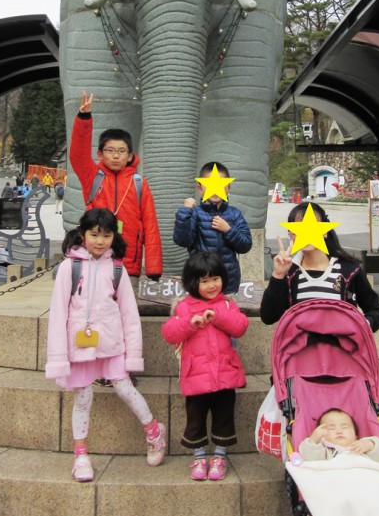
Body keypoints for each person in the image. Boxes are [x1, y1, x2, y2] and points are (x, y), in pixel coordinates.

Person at [45, 207, 167, 482]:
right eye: (94, 234)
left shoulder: (117, 269)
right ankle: (81, 455)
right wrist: (58, 356)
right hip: (79, 345)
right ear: (82, 235)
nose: (100, 241)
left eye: (106, 235)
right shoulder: (69, 267)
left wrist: (133, 353)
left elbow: (129, 314)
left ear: (114, 237)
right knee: (83, 398)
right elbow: (58, 314)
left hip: (111, 341)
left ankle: (154, 431)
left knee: (124, 388)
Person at [161, 252, 248, 481]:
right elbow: (169, 333)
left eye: (215, 279)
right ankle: (198, 457)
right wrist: (190, 324)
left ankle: (219, 456)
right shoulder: (183, 307)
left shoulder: (227, 304)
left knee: (224, 418)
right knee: (195, 419)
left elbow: (240, 326)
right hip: (196, 376)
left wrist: (217, 316)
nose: (211, 285)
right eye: (204, 281)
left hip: (224, 375)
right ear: (193, 282)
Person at [69, 90, 162, 280]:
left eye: (122, 151)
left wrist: (153, 268)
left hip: (130, 261)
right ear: (100, 154)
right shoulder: (92, 176)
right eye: (110, 150)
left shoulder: (139, 183)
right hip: (95, 256)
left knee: (125, 307)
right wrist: (84, 118)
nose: (116, 155)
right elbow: (77, 154)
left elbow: (150, 224)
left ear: (130, 156)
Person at [260, 201, 379, 331]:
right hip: (301, 350)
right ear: (291, 235)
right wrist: (278, 275)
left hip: (342, 350)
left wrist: (360, 327)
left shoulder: (349, 270)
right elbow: (268, 317)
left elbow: (376, 311)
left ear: (325, 232)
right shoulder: (289, 273)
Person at [172, 161, 252, 294]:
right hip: (200, 281)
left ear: (229, 187)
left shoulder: (235, 213)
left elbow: (246, 246)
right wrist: (185, 211)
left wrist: (228, 230)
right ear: (200, 188)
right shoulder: (194, 213)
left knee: (225, 314)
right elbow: (182, 240)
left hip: (228, 282)